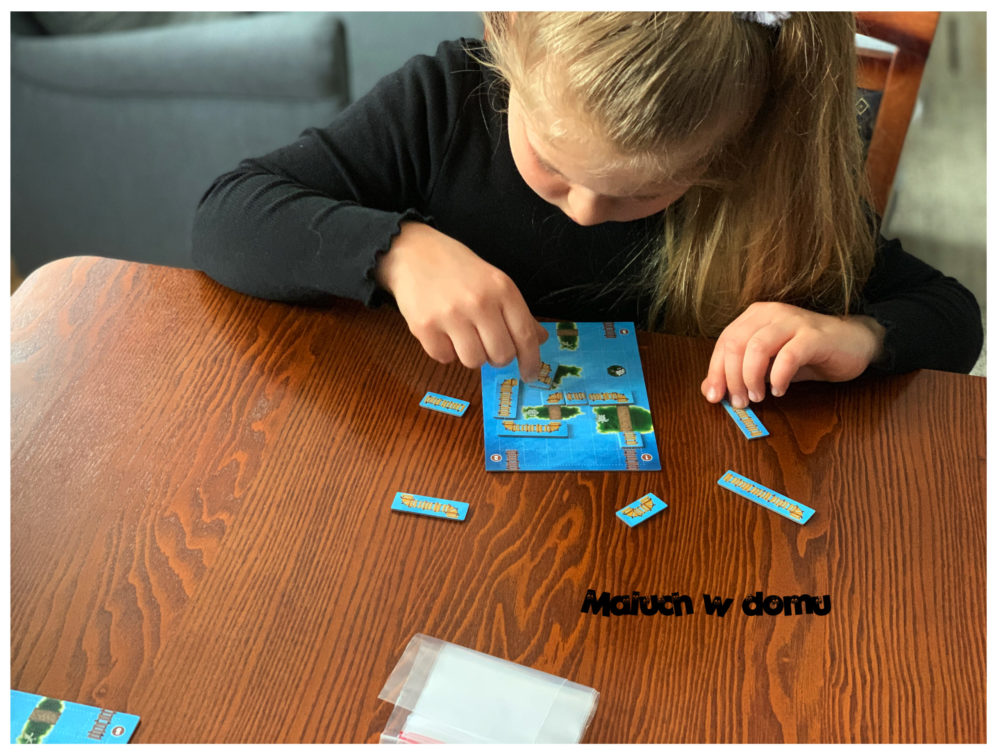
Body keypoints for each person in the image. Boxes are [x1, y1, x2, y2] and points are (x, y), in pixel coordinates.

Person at [192, 11, 982, 410]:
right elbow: (227, 216)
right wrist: (396, 251)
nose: (584, 210)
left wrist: (857, 336)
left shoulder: (771, 181)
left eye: (643, 190)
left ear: (731, 146)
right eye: (555, 164)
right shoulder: (444, 102)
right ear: (506, 33)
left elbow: (952, 316)